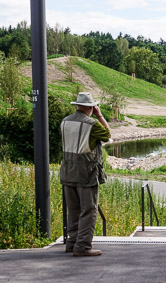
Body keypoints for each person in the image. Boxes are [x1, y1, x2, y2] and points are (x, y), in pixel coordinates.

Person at [60, 92, 111, 257]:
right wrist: (100, 115)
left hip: (67, 172)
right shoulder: (92, 124)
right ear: (91, 107)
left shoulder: (65, 122)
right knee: (88, 210)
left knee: (73, 210)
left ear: (77, 105)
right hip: (86, 174)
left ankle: (72, 243)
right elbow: (107, 134)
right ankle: (83, 246)